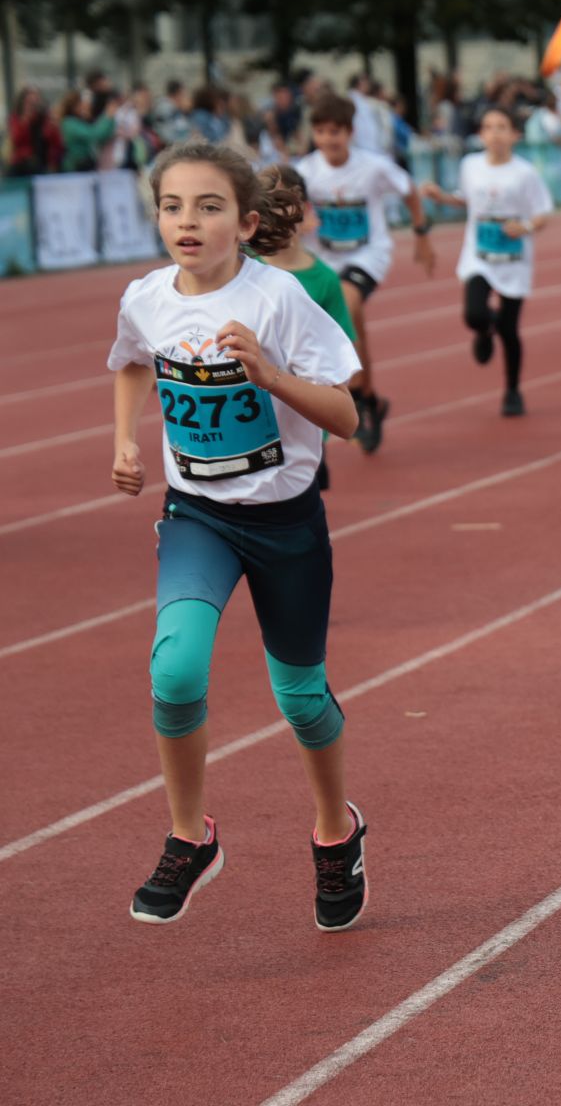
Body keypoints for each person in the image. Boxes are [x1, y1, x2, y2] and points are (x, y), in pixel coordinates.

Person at [108, 142, 367, 930]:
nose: (188, 220)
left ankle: (336, 830)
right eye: (173, 206)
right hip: (199, 516)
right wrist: (125, 441)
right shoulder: (147, 298)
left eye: (209, 206)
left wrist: (272, 376)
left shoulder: (280, 298)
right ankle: (191, 835)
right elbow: (130, 365)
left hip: (286, 523)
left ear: (247, 223)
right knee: (176, 668)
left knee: (299, 698)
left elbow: (348, 420)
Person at [296, 92, 435, 452]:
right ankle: (369, 396)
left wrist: (421, 235)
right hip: (322, 258)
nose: (328, 139)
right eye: (322, 132)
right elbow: (291, 208)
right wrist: (303, 219)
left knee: (348, 302)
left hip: (368, 254)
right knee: (344, 321)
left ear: (350, 132)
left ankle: (357, 394)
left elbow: (410, 193)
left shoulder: (373, 166)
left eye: (335, 132)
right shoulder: (306, 170)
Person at [418, 105, 554, 418]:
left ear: (515, 135)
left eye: (502, 126)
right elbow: (468, 198)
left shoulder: (525, 173)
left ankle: (512, 389)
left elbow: (542, 212)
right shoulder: (471, 165)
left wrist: (526, 227)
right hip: (479, 256)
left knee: (510, 330)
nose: (495, 133)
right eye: (489, 127)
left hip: (514, 258)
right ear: (480, 135)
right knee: (474, 314)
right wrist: (442, 197)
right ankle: (483, 330)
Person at [249, 165, 356, 492]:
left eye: (283, 202)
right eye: (266, 203)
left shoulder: (323, 279)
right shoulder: (242, 266)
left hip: (303, 423)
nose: (274, 213)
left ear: (303, 208)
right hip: (251, 416)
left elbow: (338, 351)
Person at [7, 87, 61, 176]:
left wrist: (52, 123)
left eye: (36, 101)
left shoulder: (46, 118)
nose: (33, 105)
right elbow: (17, 140)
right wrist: (25, 118)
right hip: (22, 162)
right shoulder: (16, 118)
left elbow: (55, 141)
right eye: (29, 102)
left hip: (44, 161)